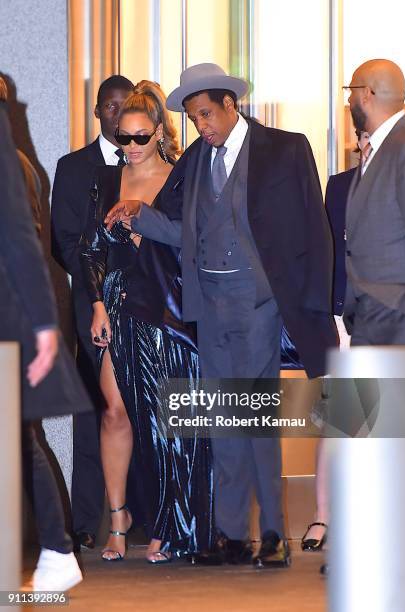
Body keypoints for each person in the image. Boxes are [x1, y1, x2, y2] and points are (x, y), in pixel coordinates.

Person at [106, 63, 338, 567]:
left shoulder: (285, 148)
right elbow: (181, 230)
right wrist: (137, 214)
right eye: (193, 118)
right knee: (225, 423)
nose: (202, 125)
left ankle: (274, 538)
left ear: (232, 104)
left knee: (254, 422)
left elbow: (313, 229)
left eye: (207, 114)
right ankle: (233, 538)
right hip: (207, 309)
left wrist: (317, 300)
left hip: (258, 305)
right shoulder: (195, 159)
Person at [80, 80, 213, 563]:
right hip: (116, 302)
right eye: (123, 138)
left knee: (165, 418)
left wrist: (146, 237)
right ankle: (119, 520)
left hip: (165, 306)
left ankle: (166, 522)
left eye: (140, 138)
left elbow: (195, 245)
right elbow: (90, 248)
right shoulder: (106, 179)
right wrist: (97, 304)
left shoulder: (180, 178)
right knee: (114, 409)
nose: (131, 148)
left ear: (159, 132)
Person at [0, 82, 93, 591]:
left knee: (17, 435)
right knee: (17, 436)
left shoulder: (13, 161)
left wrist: (42, 327)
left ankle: (58, 549)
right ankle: (57, 550)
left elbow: (23, 239)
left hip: (8, 318)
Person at [51, 75, 134, 549]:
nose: (119, 114)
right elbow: (63, 240)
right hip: (92, 306)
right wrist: (96, 291)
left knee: (142, 407)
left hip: (144, 304)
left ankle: (140, 514)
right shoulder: (73, 166)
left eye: (127, 106)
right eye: (111, 106)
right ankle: (86, 519)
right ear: (98, 110)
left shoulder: (150, 161)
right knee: (95, 411)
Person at [301, 130, 370, 552]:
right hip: (344, 316)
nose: (368, 145)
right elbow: (327, 252)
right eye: (363, 138)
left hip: (391, 316)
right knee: (337, 421)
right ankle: (322, 516)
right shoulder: (340, 185)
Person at [343, 59, 405, 345]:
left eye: (350, 90)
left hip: (397, 323)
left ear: (367, 93)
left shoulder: (403, 146)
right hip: (371, 317)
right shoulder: (379, 147)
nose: (348, 98)